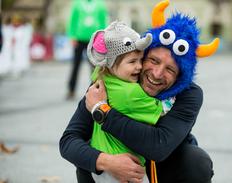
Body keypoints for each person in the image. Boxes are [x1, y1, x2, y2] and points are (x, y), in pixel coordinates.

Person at [60, 0, 220, 182]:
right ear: (141, 55)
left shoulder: (189, 94)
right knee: (87, 158)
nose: (157, 74)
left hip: (163, 169)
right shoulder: (109, 82)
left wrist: (102, 110)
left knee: (196, 161)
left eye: (170, 70)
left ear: (180, 77)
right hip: (113, 171)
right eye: (153, 60)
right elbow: (68, 141)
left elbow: (158, 146)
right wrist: (106, 161)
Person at [87, 21, 167, 183]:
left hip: (101, 161)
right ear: (111, 64)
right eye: (132, 62)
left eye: (140, 60)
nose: (139, 67)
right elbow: (161, 110)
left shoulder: (100, 77)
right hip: (124, 166)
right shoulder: (131, 92)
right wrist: (172, 96)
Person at [66, 0, 108, 99]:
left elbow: (103, 21)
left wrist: (102, 37)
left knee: (95, 67)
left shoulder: (100, 4)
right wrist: (72, 35)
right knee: (76, 65)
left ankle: (96, 89)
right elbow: (73, 20)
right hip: (79, 38)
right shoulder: (77, 3)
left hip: (94, 40)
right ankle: (71, 90)